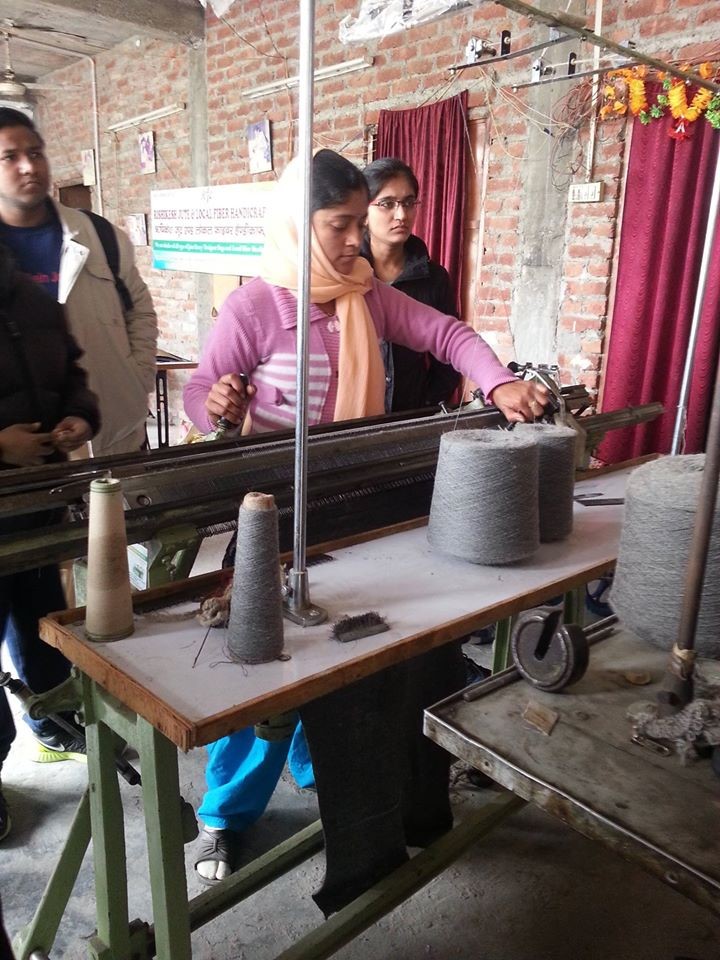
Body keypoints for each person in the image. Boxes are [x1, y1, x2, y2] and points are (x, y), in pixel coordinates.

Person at [183, 149, 548, 884]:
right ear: (299, 223)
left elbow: (448, 335)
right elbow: (200, 391)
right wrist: (216, 402)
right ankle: (224, 816)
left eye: (360, 221)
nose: (357, 239)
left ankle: (333, 781)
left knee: (347, 667)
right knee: (263, 672)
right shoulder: (256, 306)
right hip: (277, 514)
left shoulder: (368, 296)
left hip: (356, 506)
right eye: (339, 224)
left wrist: (499, 384)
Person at [0, 245, 100, 841]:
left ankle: (54, 721)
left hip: (37, 504)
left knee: (40, 622)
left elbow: (72, 378)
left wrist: (78, 417)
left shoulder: (32, 298)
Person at [0, 108, 157, 458]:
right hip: (22, 463)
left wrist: (137, 379)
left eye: (35, 153)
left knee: (123, 497)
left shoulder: (101, 236)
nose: (28, 166)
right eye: (10, 157)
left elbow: (140, 310)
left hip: (113, 432)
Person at [361, 156, 460, 412]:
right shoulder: (346, 274)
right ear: (363, 212)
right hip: (352, 417)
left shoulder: (433, 278)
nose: (401, 215)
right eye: (387, 204)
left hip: (410, 414)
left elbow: (449, 358)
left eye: (408, 203)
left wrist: (425, 405)